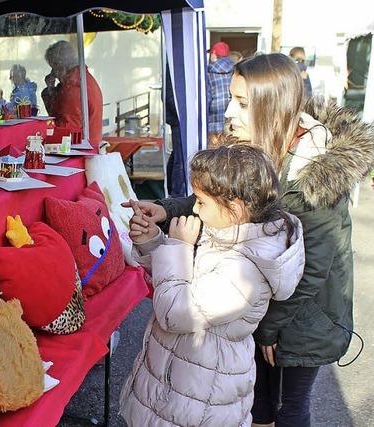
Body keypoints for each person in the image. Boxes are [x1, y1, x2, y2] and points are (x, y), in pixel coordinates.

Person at [124, 53, 374, 426]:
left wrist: (270, 329)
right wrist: (166, 208)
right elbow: (219, 197)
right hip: (255, 312)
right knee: (256, 406)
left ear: (271, 106)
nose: (228, 112)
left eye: (241, 103)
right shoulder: (256, 148)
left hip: (304, 322)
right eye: (231, 99)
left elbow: (316, 268)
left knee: (289, 407)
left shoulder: (315, 171)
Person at [119, 144, 305, 426]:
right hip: (182, 385)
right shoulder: (227, 233)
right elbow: (184, 281)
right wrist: (153, 241)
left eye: (202, 202)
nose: (194, 208)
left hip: (199, 401)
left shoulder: (244, 272)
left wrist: (179, 246)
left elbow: (175, 312)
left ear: (236, 208)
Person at [41, 40, 104, 145]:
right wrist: (50, 89)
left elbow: (66, 130)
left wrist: (40, 131)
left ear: (61, 67)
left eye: (54, 68)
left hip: (81, 151)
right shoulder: (81, 79)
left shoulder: (74, 88)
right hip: (88, 147)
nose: (53, 74)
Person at [207, 41, 235, 136]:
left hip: (213, 128)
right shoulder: (237, 71)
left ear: (214, 54)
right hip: (232, 126)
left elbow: (206, 102)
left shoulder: (208, 73)